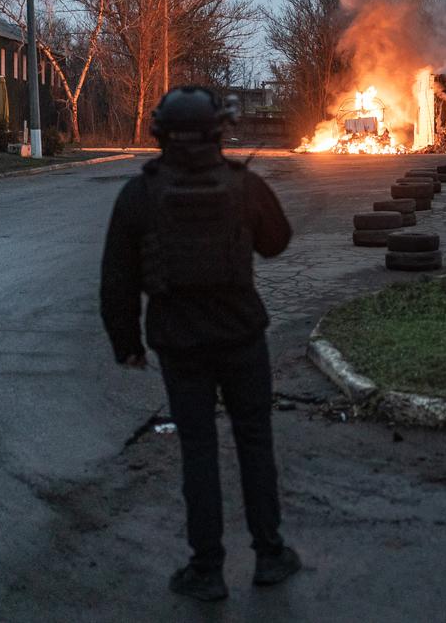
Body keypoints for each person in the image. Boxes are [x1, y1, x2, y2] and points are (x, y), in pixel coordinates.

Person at [100, 85, 300, 602]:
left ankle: (207, 569)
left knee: (199, 450)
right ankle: (271, 554)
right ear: (217, 131)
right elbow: (278, 243)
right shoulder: (243, 185)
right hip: (242, 337)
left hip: (179, 344)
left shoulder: (139, 194)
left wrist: (127, 343)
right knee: (255, 442)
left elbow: (116, 281)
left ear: (160, 135)